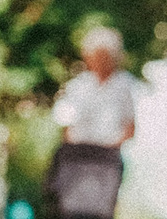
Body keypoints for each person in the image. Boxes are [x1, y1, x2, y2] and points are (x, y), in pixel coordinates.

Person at [52, 23, 139, 153]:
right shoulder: (77, 85)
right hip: (78, 154)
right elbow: (66, 125)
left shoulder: (127, 85)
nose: (100, 61)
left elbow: (131, 126)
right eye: (96, 56)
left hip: (110, 156)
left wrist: (111, 148)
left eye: (104, 56)